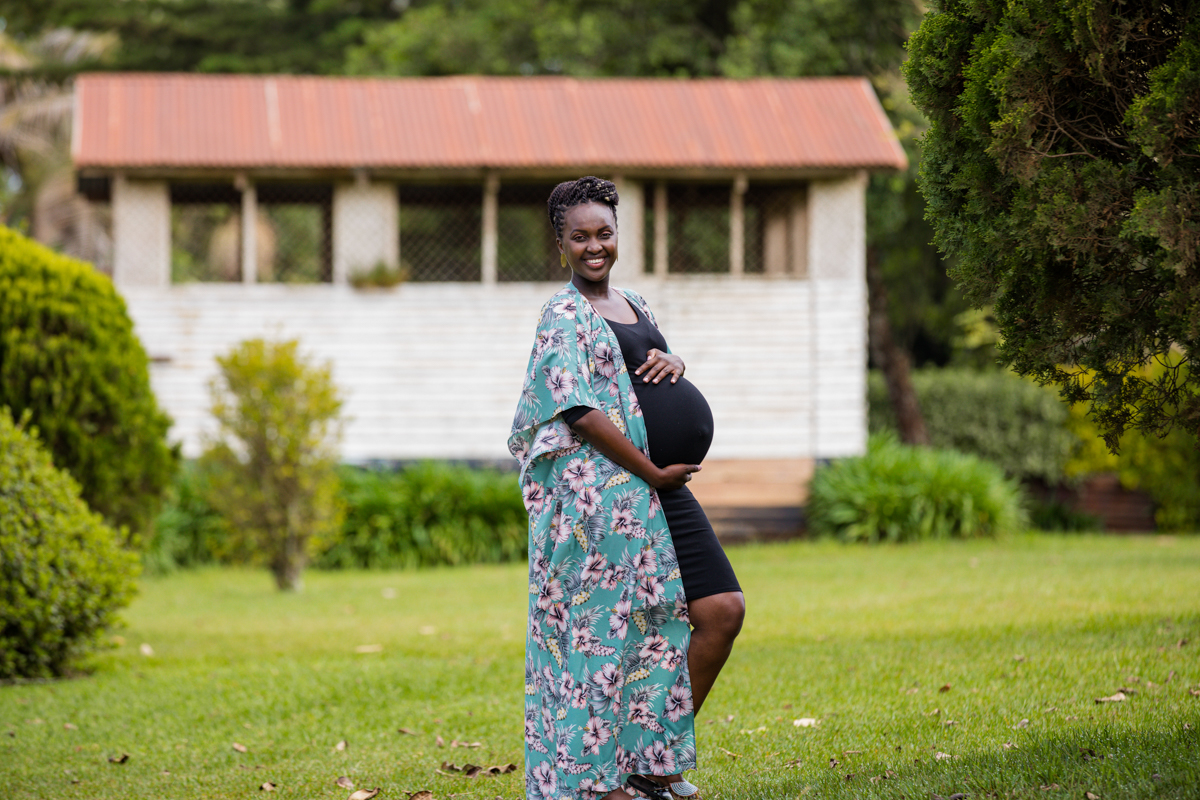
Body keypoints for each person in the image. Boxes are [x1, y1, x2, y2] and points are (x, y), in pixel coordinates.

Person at [509, 177, 745, 800]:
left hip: (660, 490)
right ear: (559, 244)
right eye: (579, 236)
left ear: (619, 235)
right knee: (601, 634)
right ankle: (596, 780)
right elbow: (578, 410)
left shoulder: (635, 301)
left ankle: (651, 759)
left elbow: (649, 371)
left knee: (720, 611)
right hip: (603, 499)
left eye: (604, 233)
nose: (594, 246)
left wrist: (678, 364)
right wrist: (650, 470)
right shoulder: (561, 313)